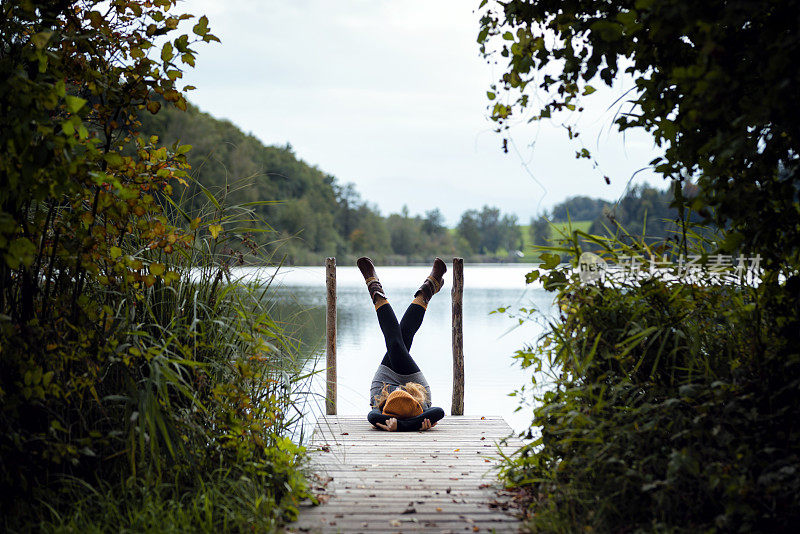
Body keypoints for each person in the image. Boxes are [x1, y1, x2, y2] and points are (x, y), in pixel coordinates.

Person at [357, 256, 447, 432]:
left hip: (383, 390)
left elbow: (372, 416)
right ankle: (426, 289)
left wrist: (396, 426)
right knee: (400, 342)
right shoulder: (423, 406)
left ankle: (376, 287)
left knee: (398, 344)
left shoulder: (379, 410)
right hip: (416, 389)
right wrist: (410, 424)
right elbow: (439, 412)